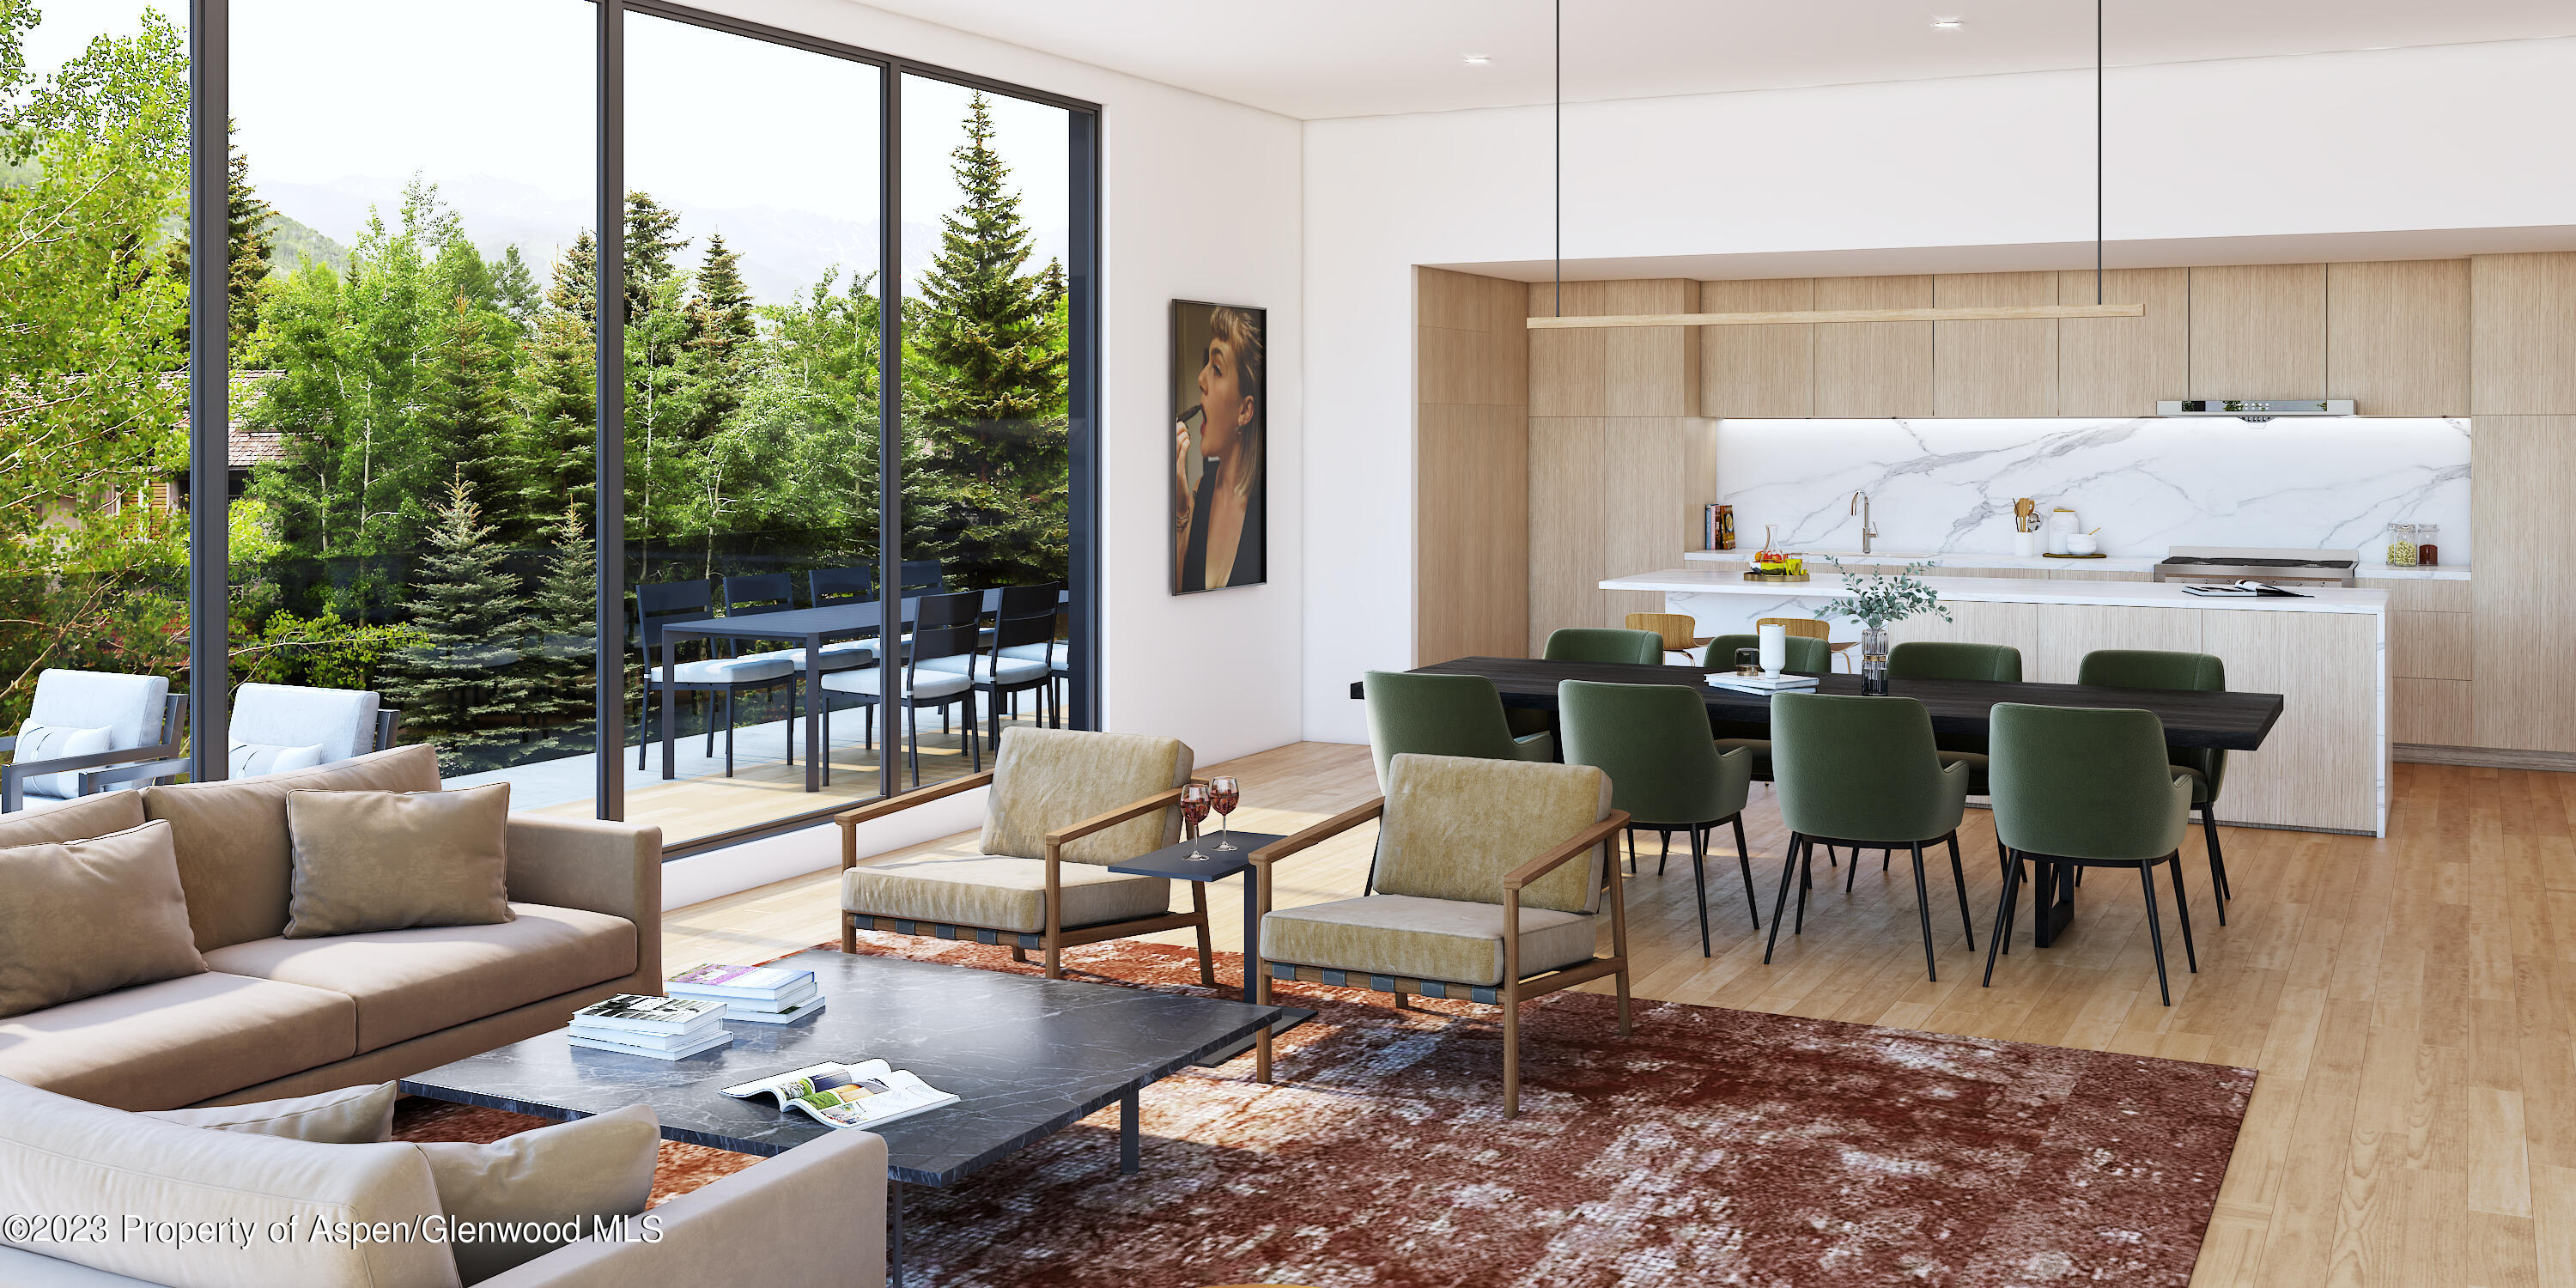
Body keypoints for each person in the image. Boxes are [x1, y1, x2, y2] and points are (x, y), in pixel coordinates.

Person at [1173, 306, 1266, 592]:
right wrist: (1180, 501)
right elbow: (1179, 591)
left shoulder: (1267, 505)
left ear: (1245, 410)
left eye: (1216, 368)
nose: (1201, 379)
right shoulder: (1201, 491)